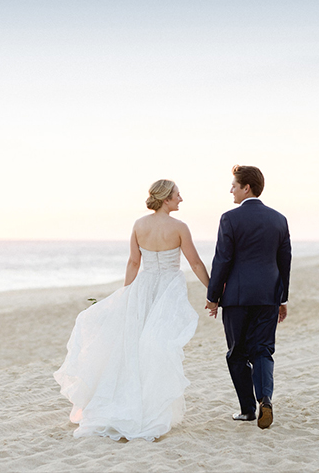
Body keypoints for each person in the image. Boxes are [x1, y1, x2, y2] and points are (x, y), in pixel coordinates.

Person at [54, 180, 210, 441]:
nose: (181, 198)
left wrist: (126, 294)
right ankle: (151, 407)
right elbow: (194, 262)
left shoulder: (139, 225)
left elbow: (133, 262)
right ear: (165, 199)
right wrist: (212, 292)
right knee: (159, 346)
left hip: (143, 288)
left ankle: (136, 401)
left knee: (137, 347)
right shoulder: (180, 227)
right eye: (177, 195)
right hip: (168, 289)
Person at [205, 165, 291, 429]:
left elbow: (223, 259)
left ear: (247, 187)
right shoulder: (279, 219)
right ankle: (265, 398)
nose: (231, 189)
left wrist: (213, 296)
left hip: (237, 299)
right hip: (268, 297)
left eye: (234, 184)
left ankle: (247, 410)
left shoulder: (229, 218)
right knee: (263, 350)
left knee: (237, 354)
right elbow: (284, 261)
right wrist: (282, 298)